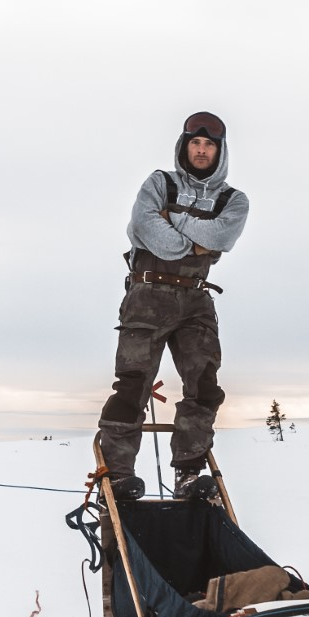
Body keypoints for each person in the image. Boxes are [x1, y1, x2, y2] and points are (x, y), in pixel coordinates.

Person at [98, 111, 250, 500]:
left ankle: (188, 472)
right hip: (146, 295)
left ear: (220, 151)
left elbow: (222, 234)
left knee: (204, 388)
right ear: (184, 147)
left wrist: (173, 222)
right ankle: (118, 477)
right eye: (195, 144)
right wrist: (193, 240)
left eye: (209, 145)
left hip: (197, 299)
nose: (201, 151)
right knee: (133, 385)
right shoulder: (159, 183)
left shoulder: (233, 200)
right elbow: (144, 226)